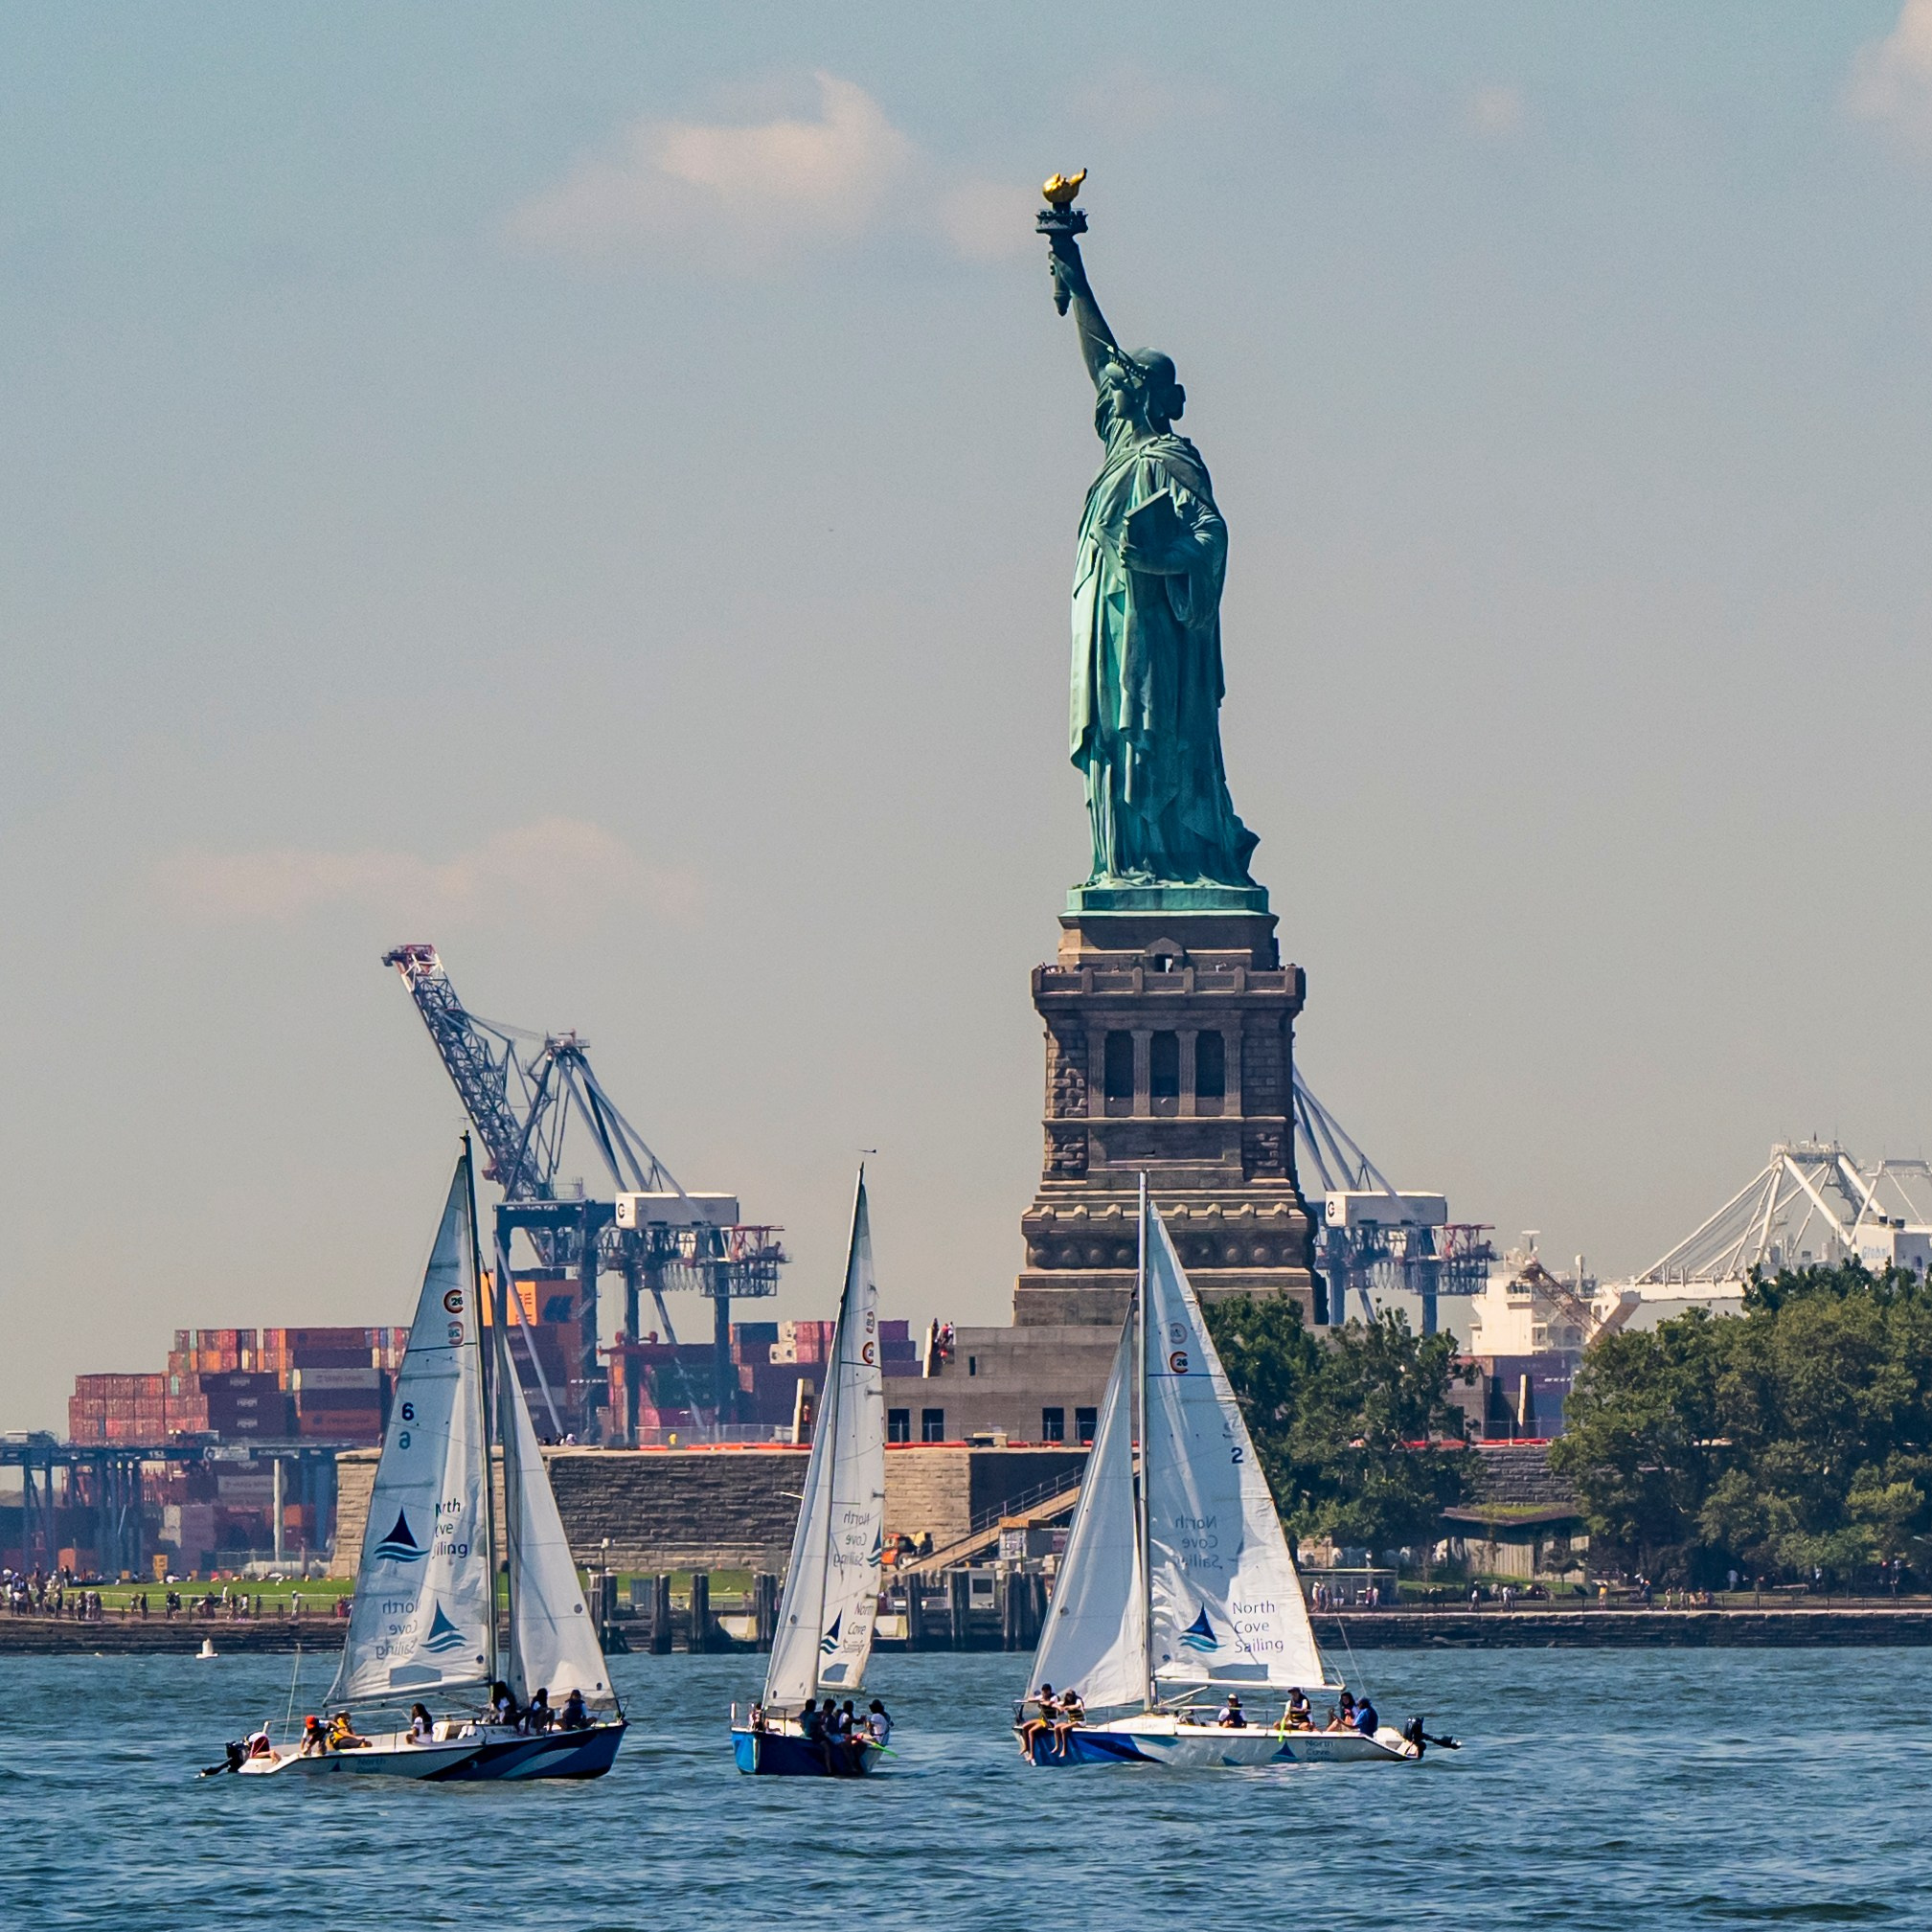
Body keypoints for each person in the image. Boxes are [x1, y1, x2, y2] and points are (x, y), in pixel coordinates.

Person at [1018, 1684, 1058, 1759]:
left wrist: (1042, 1700)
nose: (1045, 1693)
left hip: (1050, 1722)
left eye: (1046, 1691)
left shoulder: (1054, 1697)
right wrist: (1040, 1699)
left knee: (1031, 1731)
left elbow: (1049, 1703)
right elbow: (1030, 1699)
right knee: (1024, 1727)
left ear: (1049, 1691)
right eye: (1043, 1691)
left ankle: (1032, 1755)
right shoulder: (1042, 1697)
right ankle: (1026, 1747)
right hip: (1042, 1720)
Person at [1051, 1687, 1085, 1753]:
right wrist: (1058, 1707)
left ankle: (1064, 1749)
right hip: (1071, 1723)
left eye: (1070, 1695)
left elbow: (1077, 1706)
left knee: (1063, 1729)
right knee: (1056, 1727)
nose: (1069, 1697)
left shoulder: (1077, 1700)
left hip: (1080, 1722)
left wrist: (1067, 1707)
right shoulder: (1065, 1703)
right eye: (1068, 1695)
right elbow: (1053, 1704)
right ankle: (1057, 1746)